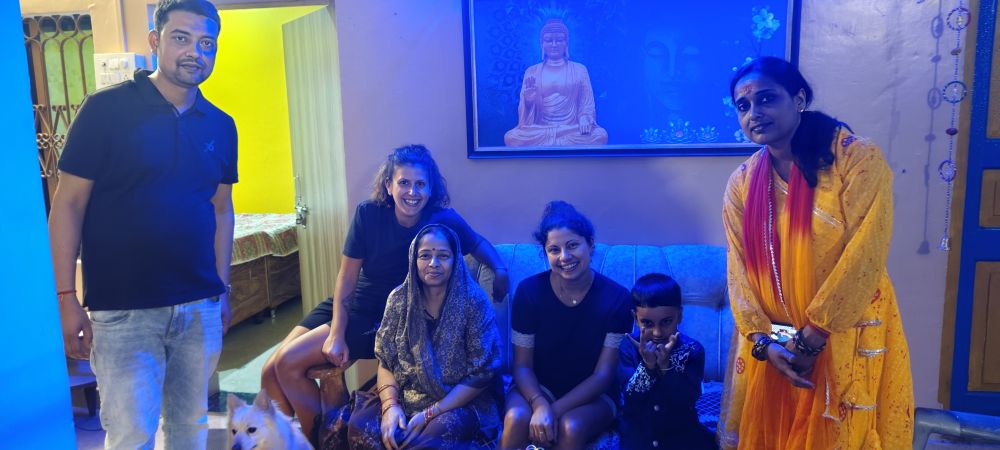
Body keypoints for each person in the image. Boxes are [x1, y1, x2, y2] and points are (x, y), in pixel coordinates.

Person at [48, 1, 235, 448]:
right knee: (131, 435)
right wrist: (65, 298)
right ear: (155, 41)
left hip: (198, 306)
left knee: (190, 427)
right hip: (124, 311)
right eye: (181, 38)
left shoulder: (221, 125)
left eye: (206, 43)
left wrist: (222, 288)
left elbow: (221, 209)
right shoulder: (105, 110)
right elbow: (68, 204)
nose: (195, 52)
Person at [720, 56, 914, 449]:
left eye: (766, 99)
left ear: (799, 99)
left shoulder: (855, 159)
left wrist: (813, 337)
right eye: (743, 106)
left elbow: (866, 253)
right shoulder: (741, 183)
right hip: (773, 347)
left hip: (844, 331)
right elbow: (738, 271)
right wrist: (763, 342)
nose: (754, 113)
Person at [261, 145, 510, 443]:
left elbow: (478, 243)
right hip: (351, 303)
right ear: (389, 185)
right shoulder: (368, 214)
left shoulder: (441, 218)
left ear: (431, 188)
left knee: (287, 363)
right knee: (269, 370)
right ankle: (285, 441)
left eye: (420, 184)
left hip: (385, 316)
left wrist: (500, 269)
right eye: (404, 182)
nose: (412, 192)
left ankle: (316, 442)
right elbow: (347, 277)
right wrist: (336, 333)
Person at [324, 224, 501, 449]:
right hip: (404, 392)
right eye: (425, 256)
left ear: (455, 259)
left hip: (459, 400)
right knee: (363, 429)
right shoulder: (399, 300)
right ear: (413, 259)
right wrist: (390, 407)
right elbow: (386, 362)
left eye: (443, 256)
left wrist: (430, 414)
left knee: (430, 439)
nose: (433, 263)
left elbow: (482, 374)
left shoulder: (474, 303)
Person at [500, 201, 631, 450]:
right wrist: (539, 404)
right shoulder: (529, 293)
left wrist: (552, 411)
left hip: (594, 395)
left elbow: (603, 376)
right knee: (517, 418)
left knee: (571, 426)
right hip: (538, 387)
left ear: (590, 245)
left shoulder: (618, 299)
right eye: (554, 249)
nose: (564, 257)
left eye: (572, 245)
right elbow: (522, 366)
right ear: (545, 253)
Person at [617, 273, 716, 450]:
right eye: (647, 323)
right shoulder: (628, 347)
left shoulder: (692, 350)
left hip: (681, 436)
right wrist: (647, 367)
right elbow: (630, 398)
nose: (657, 332)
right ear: (635, 317)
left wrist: (666, 366)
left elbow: (687, 398)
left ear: (679, 315)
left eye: (666, 322)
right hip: (639, 436)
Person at [503, 19, 608, 147]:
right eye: (548, 40)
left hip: (571, 128)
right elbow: (524, 122)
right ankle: (558, 138)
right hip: (541, 130)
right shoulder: (532, 71)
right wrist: (529, 102)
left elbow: (586, 103)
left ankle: (555, 139)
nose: (554, 44)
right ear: (541, 43)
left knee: (600, 135)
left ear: (566, 43)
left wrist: (584, 117)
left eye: (559, 40)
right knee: (511, 137)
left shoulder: (580, 69)